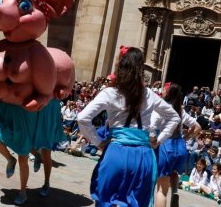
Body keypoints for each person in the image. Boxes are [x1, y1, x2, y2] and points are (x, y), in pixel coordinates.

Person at [77, 47, 180, 207]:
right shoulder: (150, 94)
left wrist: (98, 141)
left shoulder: (110, 93)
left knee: (106, 200)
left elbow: (83, 118)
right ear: (140, 68)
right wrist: (158, 140)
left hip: (116, 151)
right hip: (143, 156)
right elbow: (174, 117)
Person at [154, 83, 201, 207]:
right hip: (180, 147)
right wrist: (185, 138)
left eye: (164, 89)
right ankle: (174, 191)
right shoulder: (179, 110)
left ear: (168, 92)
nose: (162, 91)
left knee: (161, 191)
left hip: (165, 146)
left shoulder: (161, 107)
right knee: (174, 172)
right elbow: (197, 127)